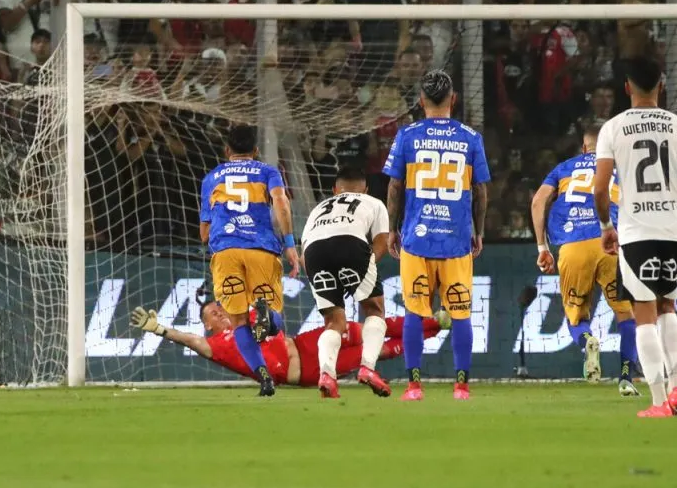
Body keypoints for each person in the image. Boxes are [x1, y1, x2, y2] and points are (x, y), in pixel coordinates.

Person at [593, 58, 677, 419]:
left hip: (636, 230)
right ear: (662, 84)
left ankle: (659, 401)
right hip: (673, 229)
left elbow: (600, 187)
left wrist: (605, 227)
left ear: (627, 87)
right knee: (667, 307)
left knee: (643, 314)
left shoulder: (612, 128)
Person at [383, 70, 490, 401]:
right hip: (456, 238)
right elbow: (481, 190)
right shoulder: (471, 137)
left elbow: (395, 185)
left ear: (420, 101)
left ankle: (414, 386)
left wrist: (392, 229)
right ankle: (461, 386)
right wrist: (479, 230)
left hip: (417, 237)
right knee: (459, 312)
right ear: (454, 99)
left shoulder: (407, 135)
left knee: (415, 310)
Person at [130, 294, 450, 388]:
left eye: (219, 306)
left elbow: (276, 322)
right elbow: (191, 341)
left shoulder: (247, 320)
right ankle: (435, 329)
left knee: (363, 328)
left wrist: (264, 322)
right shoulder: (216, 345)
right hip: (305, 370)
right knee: (375, 351)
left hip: (304, 343)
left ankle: (433, 321)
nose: (219, 311)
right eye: (212, 313)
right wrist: (161, 330)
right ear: (209, 325)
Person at [530, 125, 639, 396]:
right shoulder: (619, 169)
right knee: (627, 314)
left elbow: (537, 202)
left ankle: (587, 340)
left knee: (576, 317)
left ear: (583, 148)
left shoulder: (564, 168)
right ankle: (626, 377)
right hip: (610, 243)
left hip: (572, 246)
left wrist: (542, 246)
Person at [199, 124, 299, 397]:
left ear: (227, 150)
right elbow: (281, 203)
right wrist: (289, 244)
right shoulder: (267, 172)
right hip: (261, 249)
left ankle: (264, 376)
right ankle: (266, 315)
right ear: (255, 150)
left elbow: (204, 233)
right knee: (273, 317)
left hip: (226, 252)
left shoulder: (212, 177)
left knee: (239, 320)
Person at [300, 164, 392, 399]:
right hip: (351, 245)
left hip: (313, 253)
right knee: (374, 309)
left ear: (334, 190)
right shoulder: (373, 203)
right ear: (366, 189)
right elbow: (382, 242)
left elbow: (305, 250)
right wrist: (363, 267)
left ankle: (327, 375)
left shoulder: (318, 208)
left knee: (333, 322)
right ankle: (367, 368)